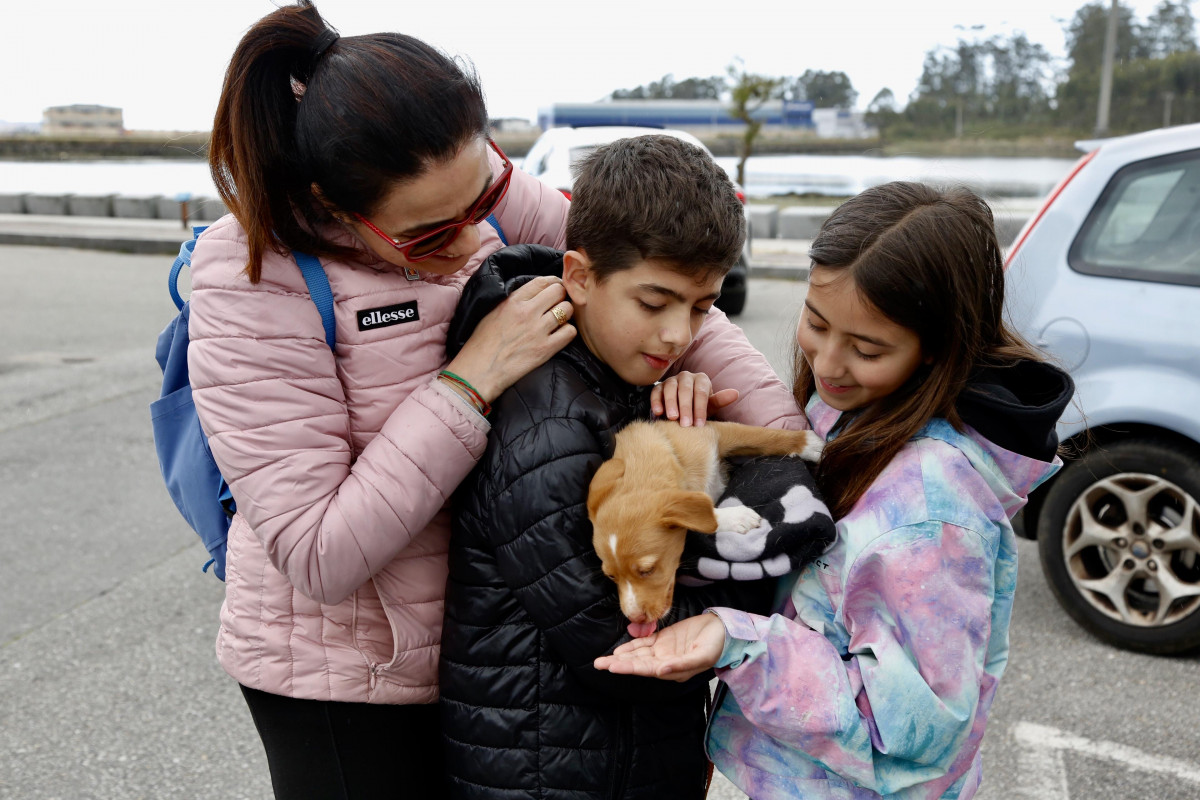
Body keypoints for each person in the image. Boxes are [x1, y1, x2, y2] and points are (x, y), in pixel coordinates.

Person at [186, 4, 800, 798]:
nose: (475, 233)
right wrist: (469, 381)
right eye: (431, 234)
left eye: (486, 195)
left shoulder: (487, 204)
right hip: (346, 684)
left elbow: (656, 281)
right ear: (334, 205)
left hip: (485, 651)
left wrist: (787, 449)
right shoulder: (252, 275)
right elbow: (318, 552)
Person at [594, 181, 1076, 800]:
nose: (827, 364)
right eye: (816, 323)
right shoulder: (849, 414)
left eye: (867, 348)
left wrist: (740, 641)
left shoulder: (930, 515)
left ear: (937, 351)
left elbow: (906, 730)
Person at [439, 135, 835, 800]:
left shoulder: (625, 377)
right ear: (580, 276)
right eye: (655, 303)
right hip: (546, 774)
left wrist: (691, 435)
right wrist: (756, 600)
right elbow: (619, 639)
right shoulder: (545, 420)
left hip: (614, 762)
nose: (679, 334)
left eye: (702, 307)